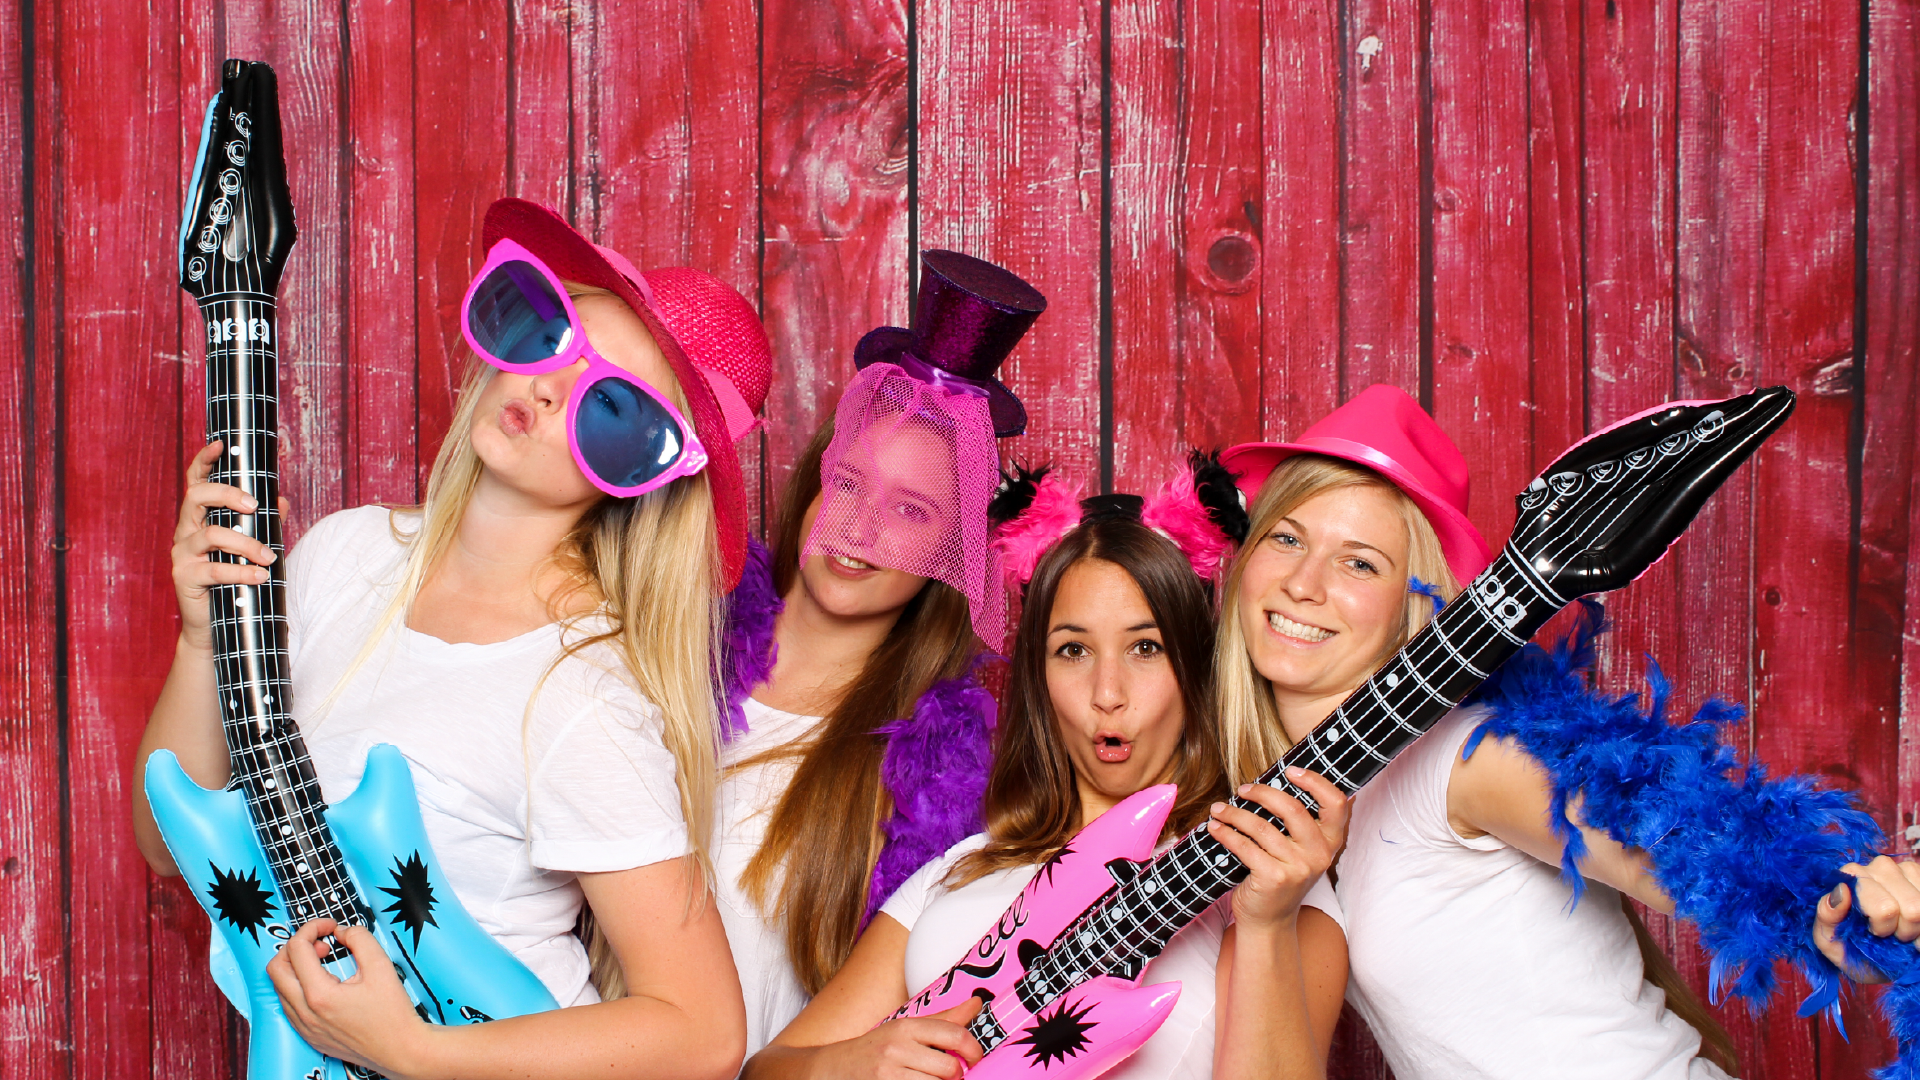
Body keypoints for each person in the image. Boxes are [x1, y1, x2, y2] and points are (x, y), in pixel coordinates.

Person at [131, 198, 768, 1080]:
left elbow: (702, 1032)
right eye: (552, 335)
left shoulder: (578, 692)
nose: (548, 388)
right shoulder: (341, 557)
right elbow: (173, 849)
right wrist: (205, 641)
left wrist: (413, 1051)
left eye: (610, 407)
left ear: (640, 473)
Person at [743, 458, 1351, 1080]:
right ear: (1038, 677)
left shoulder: (1271, 872)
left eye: (1146, 648)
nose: (1107, 691)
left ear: (1195, 667)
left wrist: (1266, 924)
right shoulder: (961, 868)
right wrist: (858, 1062)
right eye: (1073, 650)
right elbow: (770, 1067)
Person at [1213, 384, 1740, 1079]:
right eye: (1286, 538)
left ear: (1418, 602)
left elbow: (1700, 864)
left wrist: (1846, 905)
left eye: (1359, 562)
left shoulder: (1465, 760)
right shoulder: (1292, 806)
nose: (1304, 584)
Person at [713, 250, 1046, 1056]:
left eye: (912, 510)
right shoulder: (677, 633)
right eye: (852, 485)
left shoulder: (951, 773)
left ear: (954, 553)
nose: (859, 531)